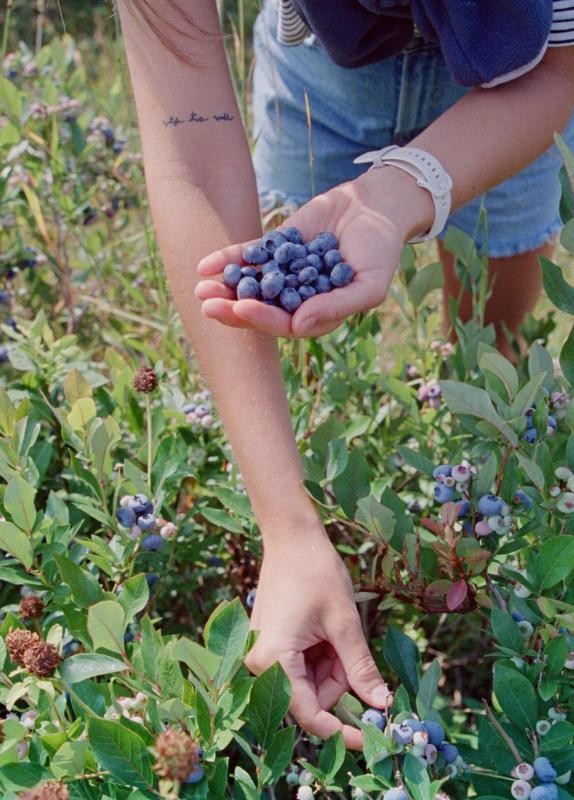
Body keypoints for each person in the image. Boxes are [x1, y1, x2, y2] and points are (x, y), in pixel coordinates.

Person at [115, 0, 574, 749]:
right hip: (320, 71)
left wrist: (398, 193)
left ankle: (472, 525)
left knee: (492, 344)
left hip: (516, 78)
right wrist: (287, 527)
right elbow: (186, 121)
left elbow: (556, 72)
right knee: (290, 333)